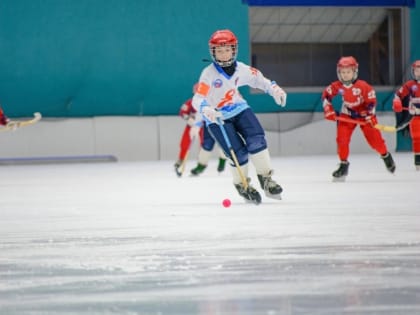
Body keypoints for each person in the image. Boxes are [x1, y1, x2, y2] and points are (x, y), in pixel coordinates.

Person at [192, 29, 287, 204]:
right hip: (217, 117)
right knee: (237, 152)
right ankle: (242, 184)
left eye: (227, 49)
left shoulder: (241, 69)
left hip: (239, 108)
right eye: (219, 51)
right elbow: (198, 98)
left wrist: (274, 89)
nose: (223, 54)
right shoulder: (208, 74)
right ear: (213, 52)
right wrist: (207, 110)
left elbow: (260, 80)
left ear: (234, 49)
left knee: (257, 139)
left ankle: (266, 179)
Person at [322, 56, 396, 181]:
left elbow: (372, 101)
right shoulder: (337, 86)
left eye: (348, 72)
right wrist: (328, 109)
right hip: (347, 115)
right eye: (343, 72)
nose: (345, 75)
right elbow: (326, 96)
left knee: (375, 142)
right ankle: (343, 164)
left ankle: (385, 155)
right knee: (342, 140)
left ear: (355, 71)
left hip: (364, 116)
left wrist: (369, 115)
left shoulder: (363, 86)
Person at [174, 86, 226, 176]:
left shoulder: (213, 100)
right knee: (187, 143)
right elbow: (183, 111)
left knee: (214, 144)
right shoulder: (191, 102)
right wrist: (189, 119)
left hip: (209, 124)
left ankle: (219, 160)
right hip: (194, 124)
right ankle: (184, 161)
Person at [392, 60, 420, 170]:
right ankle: (418, 158)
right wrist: (397, 102)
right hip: (414, 116)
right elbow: (398, 95)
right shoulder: (409, 85)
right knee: (417, 137)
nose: (419, 73)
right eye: (417, 70)